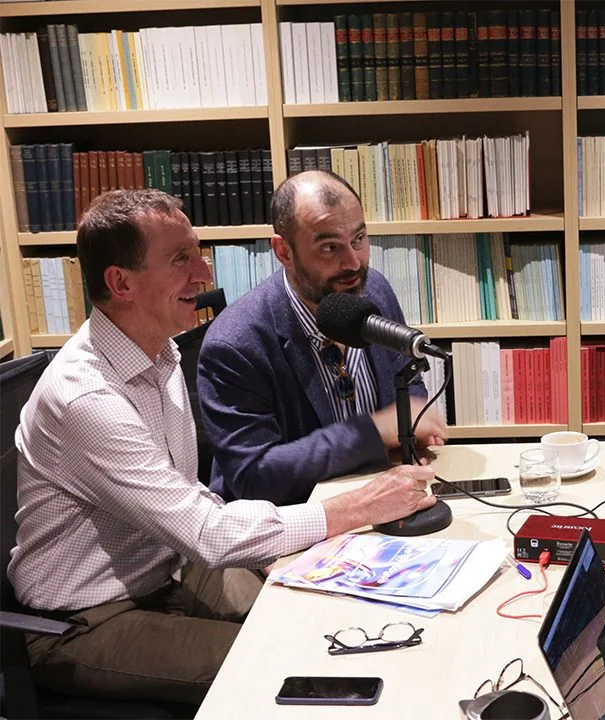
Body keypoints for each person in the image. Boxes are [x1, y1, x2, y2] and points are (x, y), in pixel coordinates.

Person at [8, 189, 437, 706]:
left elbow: (185, 498)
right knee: (289, 663)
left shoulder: (159, 350)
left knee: (326, 616)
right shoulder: (85, 397)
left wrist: (275, 551)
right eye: (180, 259)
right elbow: (205, 533)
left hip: (174, 569)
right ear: (121, 283)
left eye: (197, 251)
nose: (204, 274)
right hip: (86, 620)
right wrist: (357, 507)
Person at [198, 170, 447, 506]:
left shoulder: (373, 290)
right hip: (298, 524)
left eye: (358, 239)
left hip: (383, 496)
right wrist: (370, 433)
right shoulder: (234, 345)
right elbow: (254, 478)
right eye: (330, 247)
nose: (353, 262)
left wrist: (413, 422)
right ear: (284, 252)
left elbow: (406, 377)